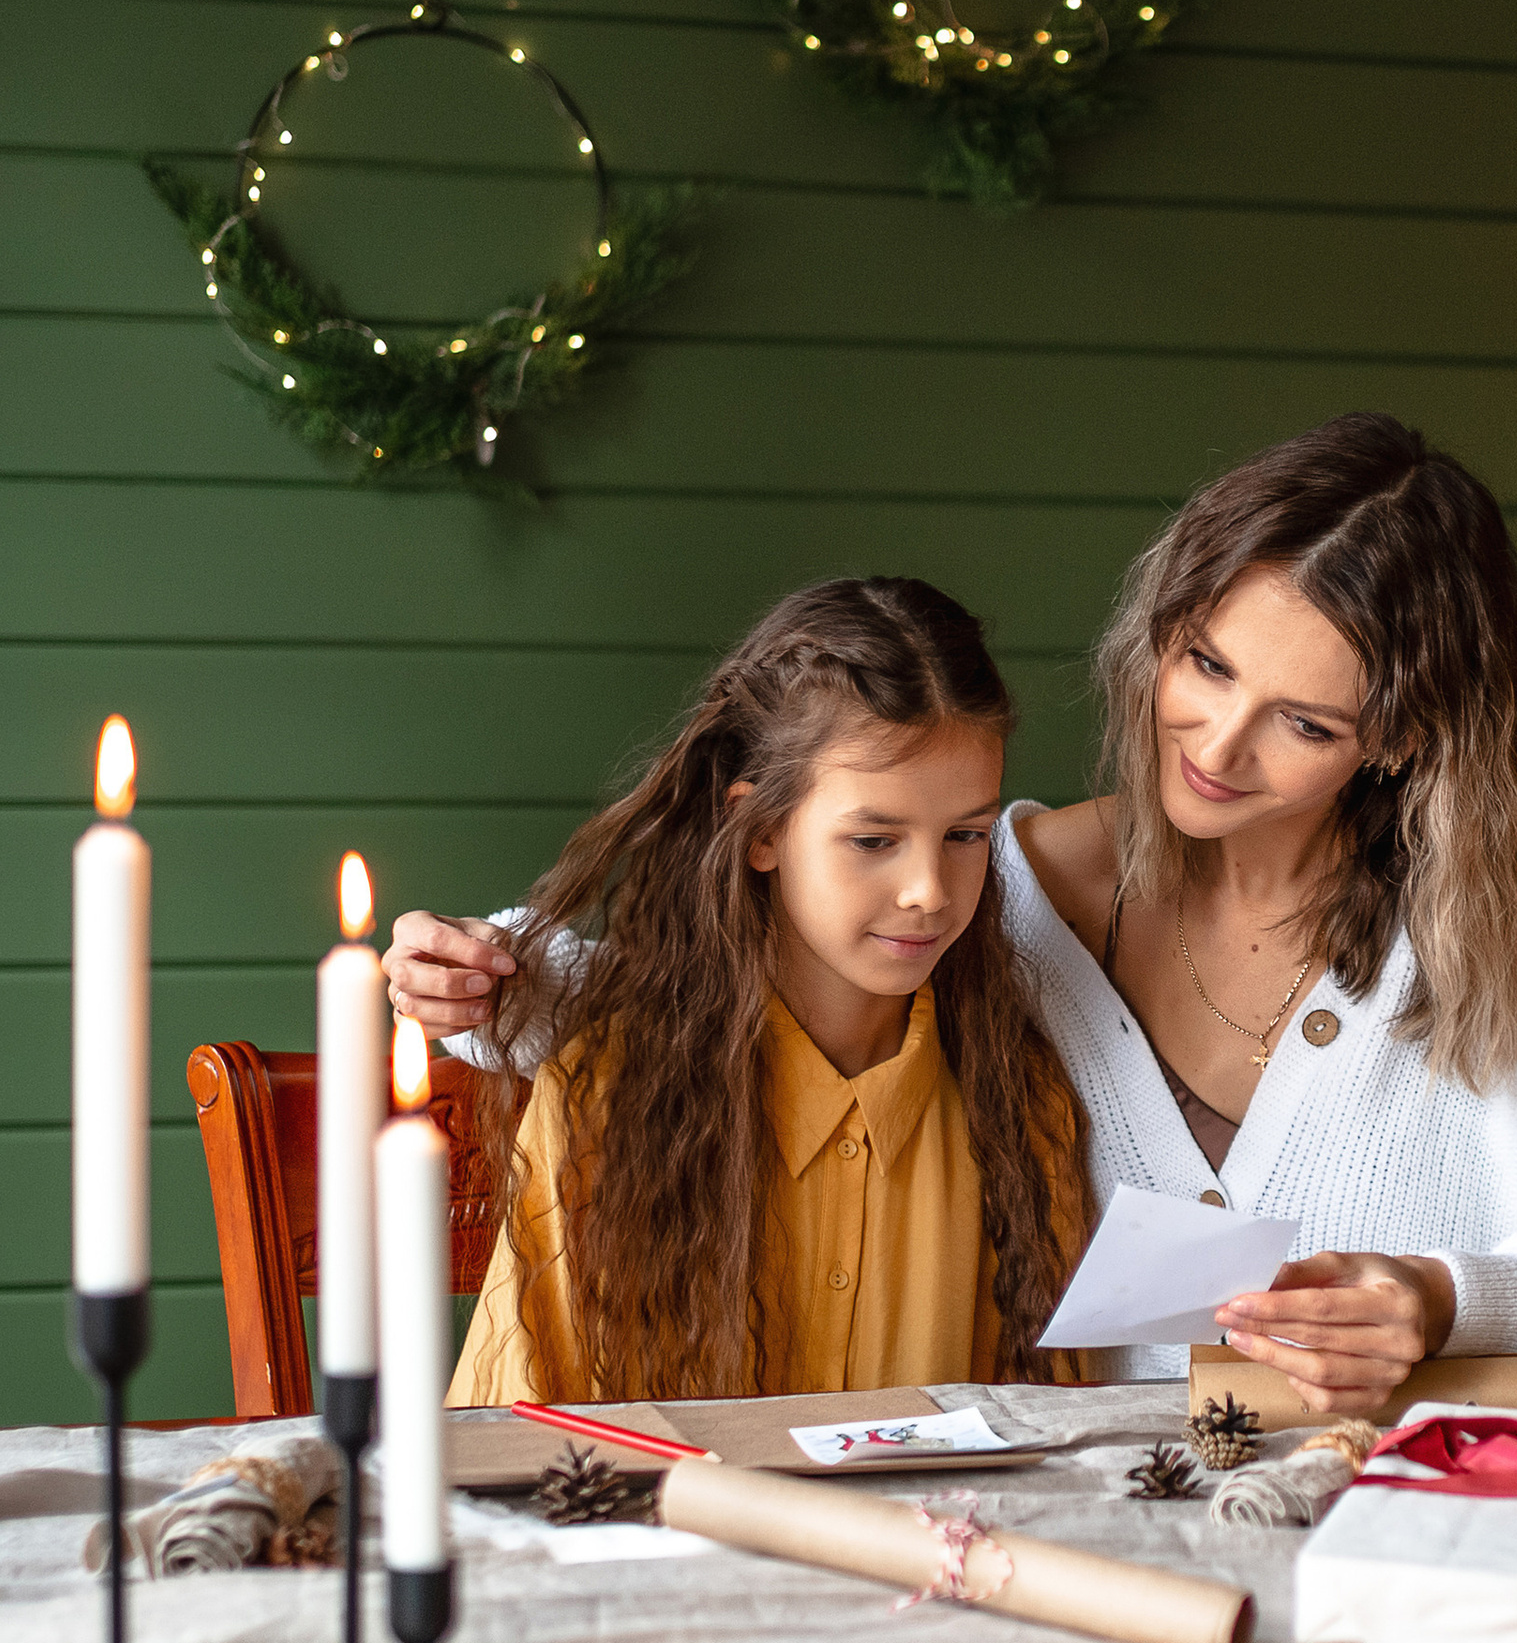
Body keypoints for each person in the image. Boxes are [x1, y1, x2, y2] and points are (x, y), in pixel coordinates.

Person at [397, 414, 1517, 1412]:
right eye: (1204, 661)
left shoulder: (1510, 902)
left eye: (1301, 720)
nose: (1218, 745)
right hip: (1095, 1564)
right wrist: (492, 973)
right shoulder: (1005, 893)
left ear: (1403, 736)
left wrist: (1444, 1297)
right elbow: (715, 982)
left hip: (1430, 1542)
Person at [440, 575, 1085, 1407]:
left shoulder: (1021, 1106)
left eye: (966, 835)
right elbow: (520, 1442)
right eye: (874, 839)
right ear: (762, 830)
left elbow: (1049, 1440)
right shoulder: (608, 1093)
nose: (930, 888)